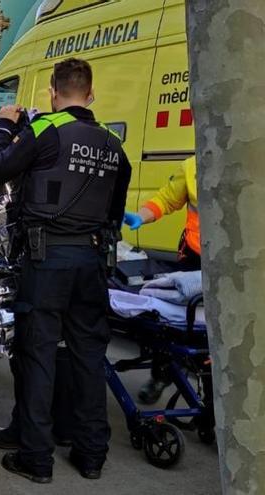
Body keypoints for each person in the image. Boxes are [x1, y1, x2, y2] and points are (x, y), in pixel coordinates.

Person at [0, 58, 132, 483]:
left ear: (52, 92)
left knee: (38, 355)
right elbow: (114, 212)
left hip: (46, 259)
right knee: (88, 357)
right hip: (91, 262)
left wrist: (5, 128)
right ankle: (91, 455)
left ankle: (37, 457)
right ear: (91, 94)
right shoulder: (110, 142)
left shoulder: (46, 130)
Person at [123, 156, 200, 404]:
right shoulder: (192, 166)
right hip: (194, 258)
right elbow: (167, 199)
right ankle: (161, 376)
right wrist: (142, 216)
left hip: (239, 261)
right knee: (174, 325)